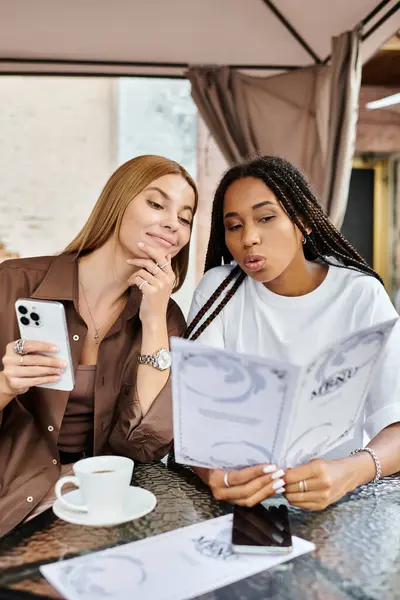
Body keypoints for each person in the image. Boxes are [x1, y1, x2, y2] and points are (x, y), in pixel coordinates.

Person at [185, 156, 400, 511]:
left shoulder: (360, 295)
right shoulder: (218, 292)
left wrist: (351, 470)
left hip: (341, 504)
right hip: (243, 502)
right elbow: (194, 417)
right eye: (234, 226)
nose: (249, 238)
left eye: (266, 218)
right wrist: (215, 476)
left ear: (302, 222)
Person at [0, 155, 197, 536]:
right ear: (117, 202)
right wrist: (6, 385)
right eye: (157, 204)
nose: (173, 223)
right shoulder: (12, 285)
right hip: (12, 496)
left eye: (185, 217)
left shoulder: (165, 317)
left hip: (98, 501)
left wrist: (154, 320)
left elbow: (146, 445)